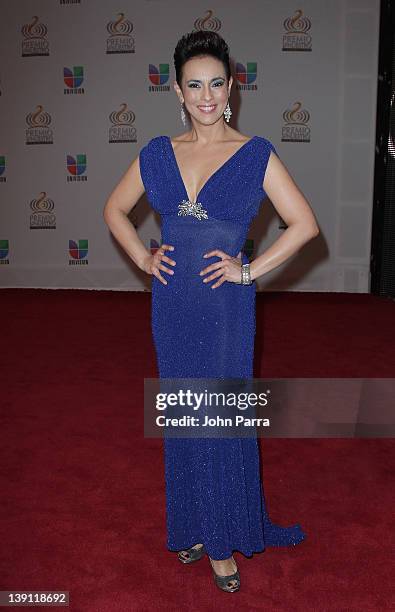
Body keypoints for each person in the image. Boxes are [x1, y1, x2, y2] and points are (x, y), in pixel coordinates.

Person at [103, 30, 319, 593]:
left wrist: (248, 270)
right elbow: (114, 209)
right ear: (177, 90)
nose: (206, 96)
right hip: (173, 303)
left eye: (216, 84)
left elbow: (305, 225)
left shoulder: (254, 154)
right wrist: (143, 260)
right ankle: (194, 526)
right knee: (182, 413)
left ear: (232, 89)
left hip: (226, 306)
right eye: (193, 85)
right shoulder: (156, 153)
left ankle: (223, 540)